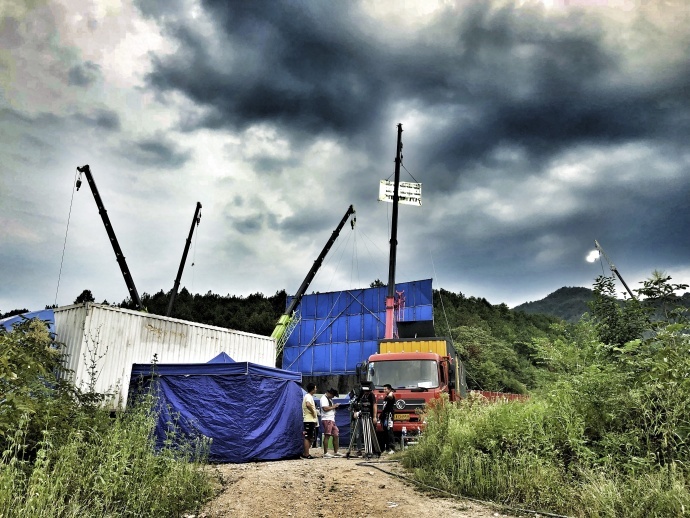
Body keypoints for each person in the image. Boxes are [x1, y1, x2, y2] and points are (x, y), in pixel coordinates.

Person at [319, 387, 343, 458]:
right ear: (330, 393)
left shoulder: (329, 399)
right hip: (327, 419)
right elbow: (325, 408)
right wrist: (334, 406)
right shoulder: (323, 398)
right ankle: (325, 452)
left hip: (331, 419)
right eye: (333, 395)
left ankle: (336, 451)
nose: (333, 397)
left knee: (336, 434)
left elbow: (329, 407)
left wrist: (334, 407)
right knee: (327, 435)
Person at [302, 382, 318, 459]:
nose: (316, 389)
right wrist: (313, 411)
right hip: (309, 419)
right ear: (312, 389)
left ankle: (306, 452)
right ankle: (306, 454)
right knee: (307, 437)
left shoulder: (310, 396)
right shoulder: (308, 396)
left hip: (311, 419)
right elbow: (308, 404)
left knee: (310, 437)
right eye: (315, 388)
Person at [380, 383, 396, 454]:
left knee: (390, 431)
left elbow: (390, 396)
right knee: (385, 432)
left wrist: (391, 391)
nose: (384, 390)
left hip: (389, 416)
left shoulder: (391, 396)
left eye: (385, 389)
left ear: (389, 389)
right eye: (383, 389)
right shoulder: (385, 397)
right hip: (385, 416)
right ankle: (387, 448)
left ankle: (392, 448)